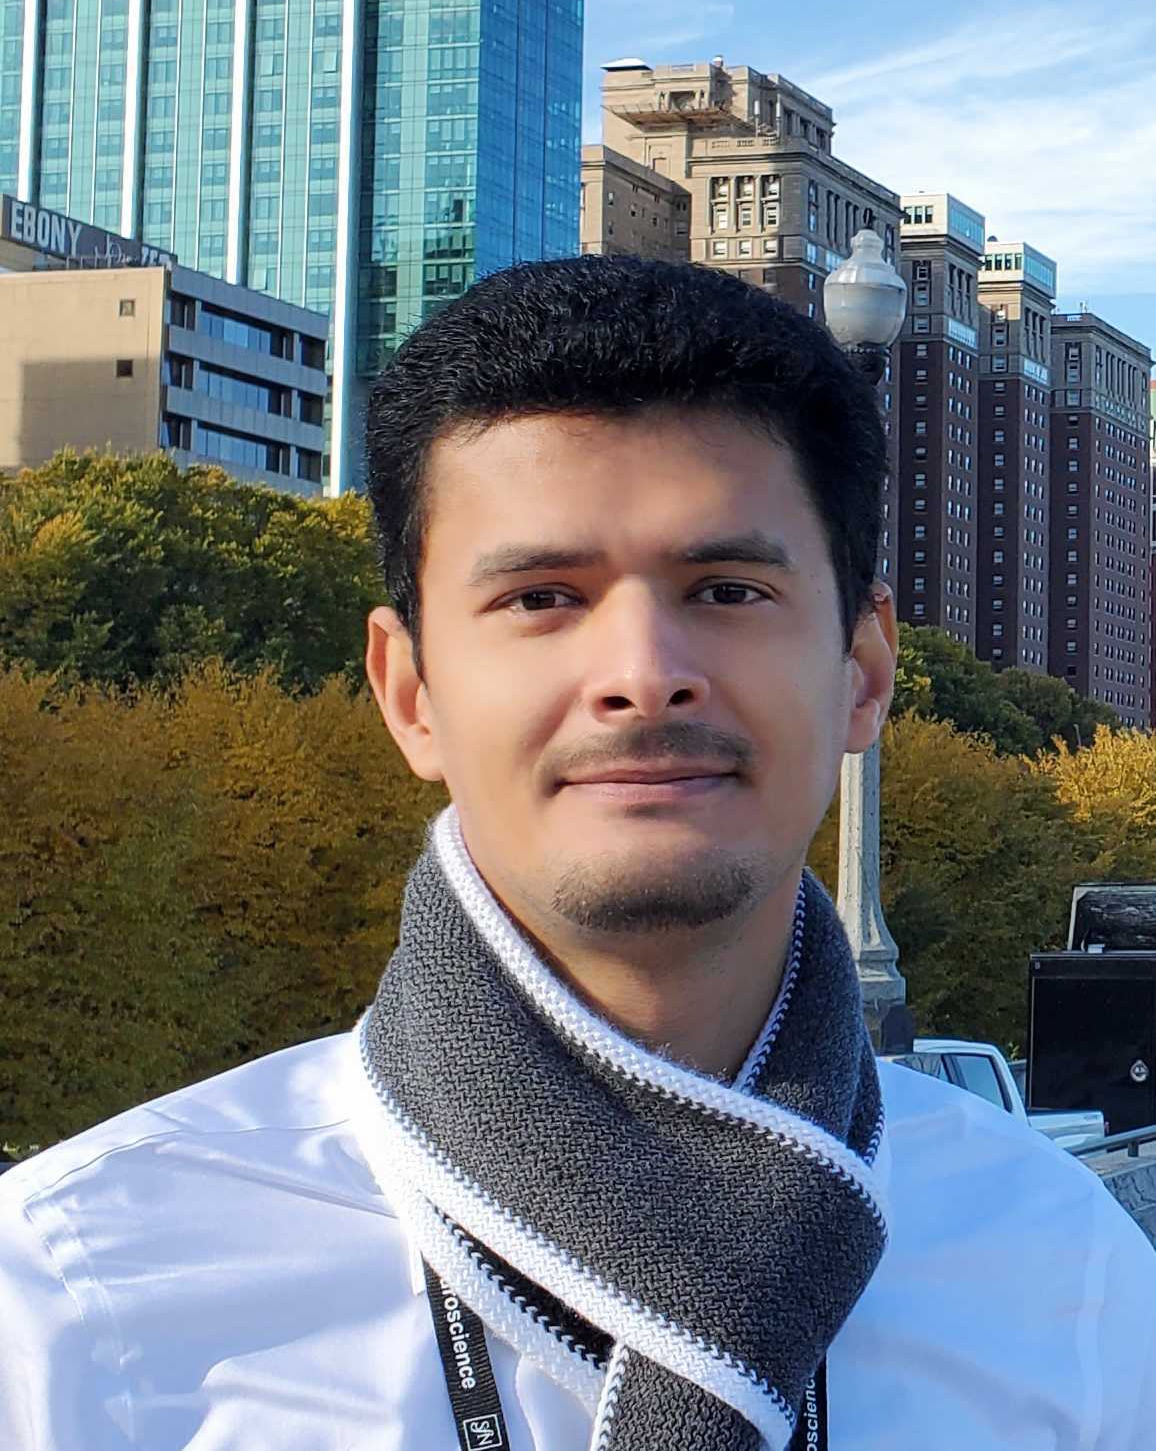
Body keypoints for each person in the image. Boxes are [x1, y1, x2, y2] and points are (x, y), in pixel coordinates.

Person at [1, 256, 1153, 1450]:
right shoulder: (78, 1299)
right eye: (541, 598)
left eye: (726, 590)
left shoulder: (1061, 1272)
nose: (642, 675)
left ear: (862, 672)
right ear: (409, 693)